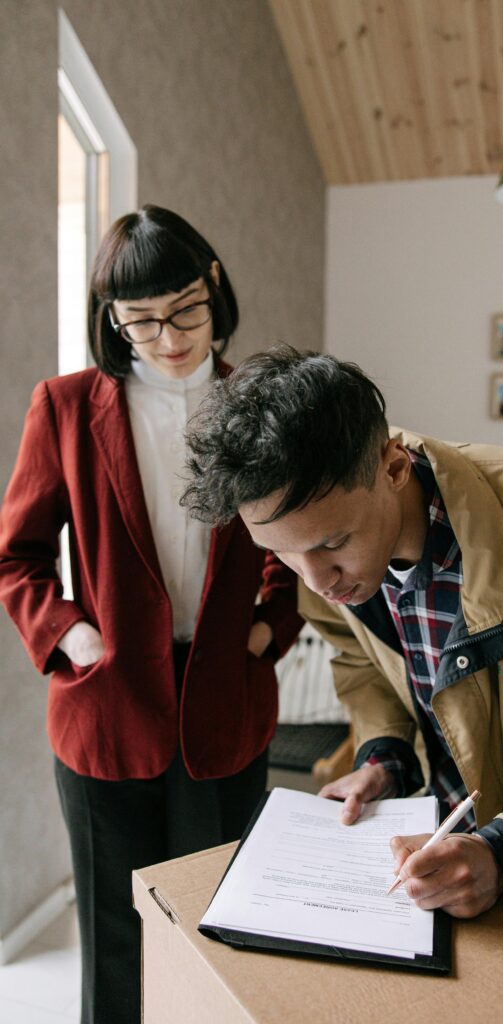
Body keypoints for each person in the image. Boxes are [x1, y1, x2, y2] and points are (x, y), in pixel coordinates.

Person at [182, 344, 503, 954]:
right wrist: (383, 757)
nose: (316, 582)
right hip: (436, 857)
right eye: (281, 553)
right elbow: (361, 660)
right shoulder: (316, 546)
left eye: (334, 543)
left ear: (393, 467)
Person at [0, 209, 301, 1024]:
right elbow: (16, 557)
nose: (167, 336)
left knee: (216, 926)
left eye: (184, 310)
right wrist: (74, 636)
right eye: (140, 320)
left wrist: (269, 627)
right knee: (112, 933)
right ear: (111, 318)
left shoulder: (259, 403)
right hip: (105, 705)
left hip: (225, 698)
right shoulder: (65, 408)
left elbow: (293, 542)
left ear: (212, 285)